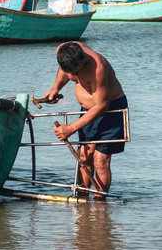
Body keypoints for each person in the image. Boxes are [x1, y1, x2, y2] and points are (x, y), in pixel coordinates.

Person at [41, 41, 127, 194]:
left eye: (77, 72)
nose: (74, 77)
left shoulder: (97, 68)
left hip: (110, 110)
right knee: (84, 156)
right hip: (87, 111)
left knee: (100, 161)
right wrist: (55, 88)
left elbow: (102, 105)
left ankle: (100, 206)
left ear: (83, 60)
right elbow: (63, 70)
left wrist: (71, 128)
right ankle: (83, 200)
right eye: (71, 73)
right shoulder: (63, 50)